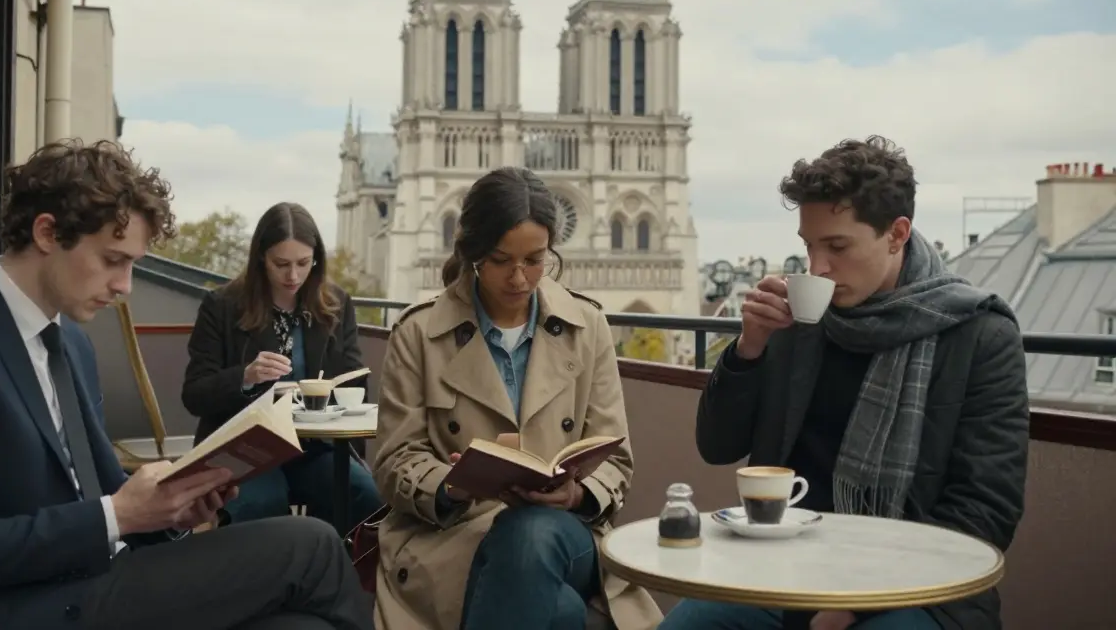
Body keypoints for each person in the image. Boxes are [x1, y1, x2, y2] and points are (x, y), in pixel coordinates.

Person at [0, 140, 373, 630]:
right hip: (32, 604)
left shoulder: (71, 343)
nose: (125, 285)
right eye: (113, 260)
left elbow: (105, 491)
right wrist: (119, 515)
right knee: (314, 544)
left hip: (105, 577)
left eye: (132, 264)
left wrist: (173, 509)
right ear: (47, 233)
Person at [661, 137, 1029, 630]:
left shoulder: (978, 334)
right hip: (781, 571)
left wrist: (856, 603)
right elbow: (717, 445)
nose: (817, 268)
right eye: (808, 246)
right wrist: (748, 348)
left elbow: (985, 510)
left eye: (836, 246)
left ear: (897, 234)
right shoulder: (797, 324)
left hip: (918, 591)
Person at [371, 166, 663, 630]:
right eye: (501, 260)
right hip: (451, 535)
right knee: (562, 613)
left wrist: (576, 493)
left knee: (528, 533)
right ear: (471, 252)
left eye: (535, 259)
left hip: (565, 532)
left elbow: (615, 457)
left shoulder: (588, 327)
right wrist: (453, 484)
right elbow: (394, 461)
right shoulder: (417, 333)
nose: (520, 278)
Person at [182, 202, 383, 528]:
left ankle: (333, 574)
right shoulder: (221, 306)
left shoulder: (335, 303)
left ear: (316, 260)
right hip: (246, 448)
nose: (293, 276)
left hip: (313, 447)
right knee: (260, 504)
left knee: (364, 495)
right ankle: (269, 578)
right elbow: (194, 394)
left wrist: (328, 396)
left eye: (303, 263)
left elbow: (354, 382)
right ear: (261, 258)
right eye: (281, 264)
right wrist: (245, 377)